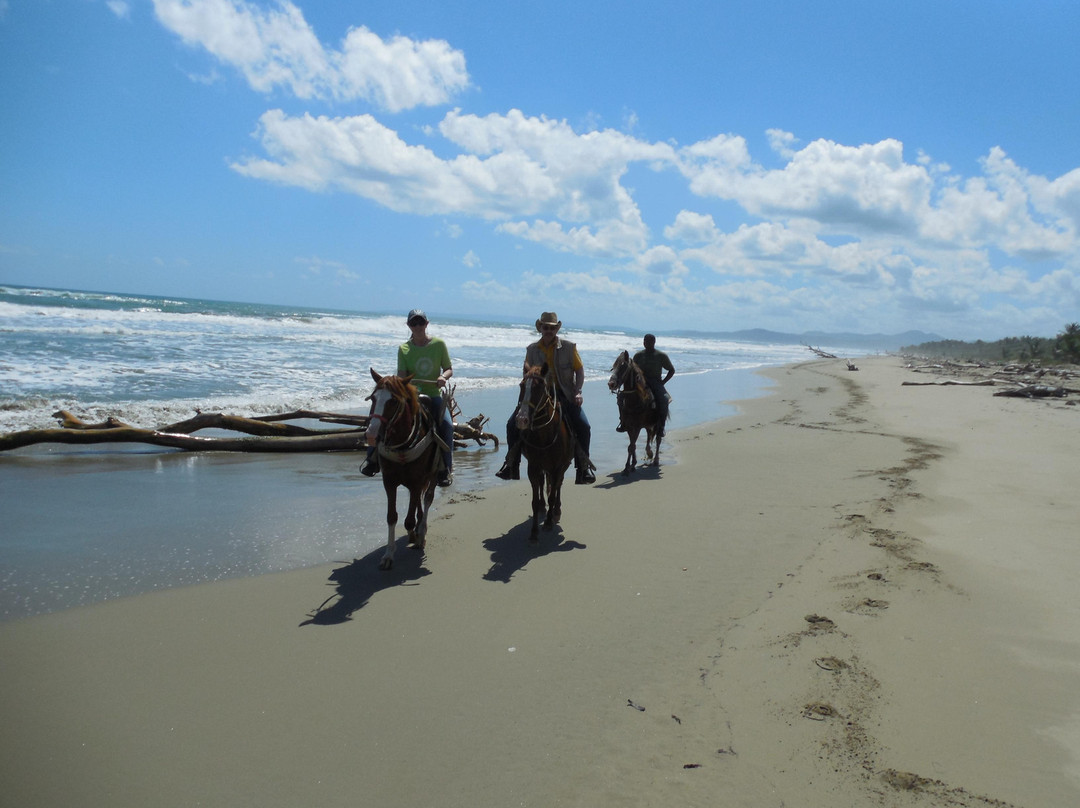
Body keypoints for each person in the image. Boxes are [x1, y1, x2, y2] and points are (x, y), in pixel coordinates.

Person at [495, 311, 596, 484]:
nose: (548, 330)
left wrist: (578, 391)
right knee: (512, 425)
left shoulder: (569, 347)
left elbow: (579, 370)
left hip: (564, 395)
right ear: (540, 328)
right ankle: (511, 464)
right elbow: (526, 374)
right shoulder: (532, 349)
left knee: (584, 426)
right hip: (538, 397)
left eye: (551, 328)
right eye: (545, 327)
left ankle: (583, 467)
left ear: (556, 329)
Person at [361, 308, 455, 486]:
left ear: (427, 324)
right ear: (409, 325)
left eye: (421, 322)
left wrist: (443, 377)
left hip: (433, 394)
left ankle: (445, 469)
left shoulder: (439, 344)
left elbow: (449, 368)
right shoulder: (403, 348)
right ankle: (372, 459)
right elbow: (402, 375)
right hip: (412, 395)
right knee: (381, 419)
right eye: (414, 323)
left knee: (448, 426)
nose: (418, 326)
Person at [625, 333, 675, 440]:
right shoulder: (638, 355)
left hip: (655, 382)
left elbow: (671, 370)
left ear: (654, 342)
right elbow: (632, 371)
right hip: (640, 382)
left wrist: (663, 382)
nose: (645, 343)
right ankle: (624, 422)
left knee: (664, 400)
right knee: (624, 397)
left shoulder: (661, 356)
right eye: (644, 341)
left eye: (648, 341)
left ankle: (661, 427)